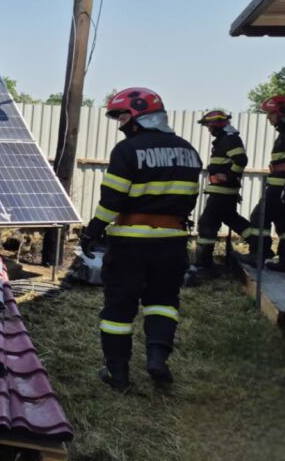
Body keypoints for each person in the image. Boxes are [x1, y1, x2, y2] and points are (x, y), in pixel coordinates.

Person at [80, 88, 202, 391]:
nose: (119, 123)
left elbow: (112, 199)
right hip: (173, 242)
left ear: (139, 115)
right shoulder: (189, 151)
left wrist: (93, 230)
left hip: (130, 243)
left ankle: (117, 373)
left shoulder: (127, 150)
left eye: (122, 116)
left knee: (118, 309)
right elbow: (190, 198)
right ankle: (157, 359)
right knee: (163, 301)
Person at [191, 110, 249, 279]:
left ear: (217, 125)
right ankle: (259, 244)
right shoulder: (225, 139)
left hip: (223, 191)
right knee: (231, 219)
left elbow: (241, 160)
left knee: (207, 223)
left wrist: (229, 177)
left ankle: (203, 263)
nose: (209, 130)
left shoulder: (229, 139)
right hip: (222, 190)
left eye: (209, 126)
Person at [247, 95, 285, 274]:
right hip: (283, 188)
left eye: (270, 113)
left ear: (282, 112)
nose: (268, 117)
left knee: (258, 218)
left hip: (281, 188)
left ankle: (258, 255)